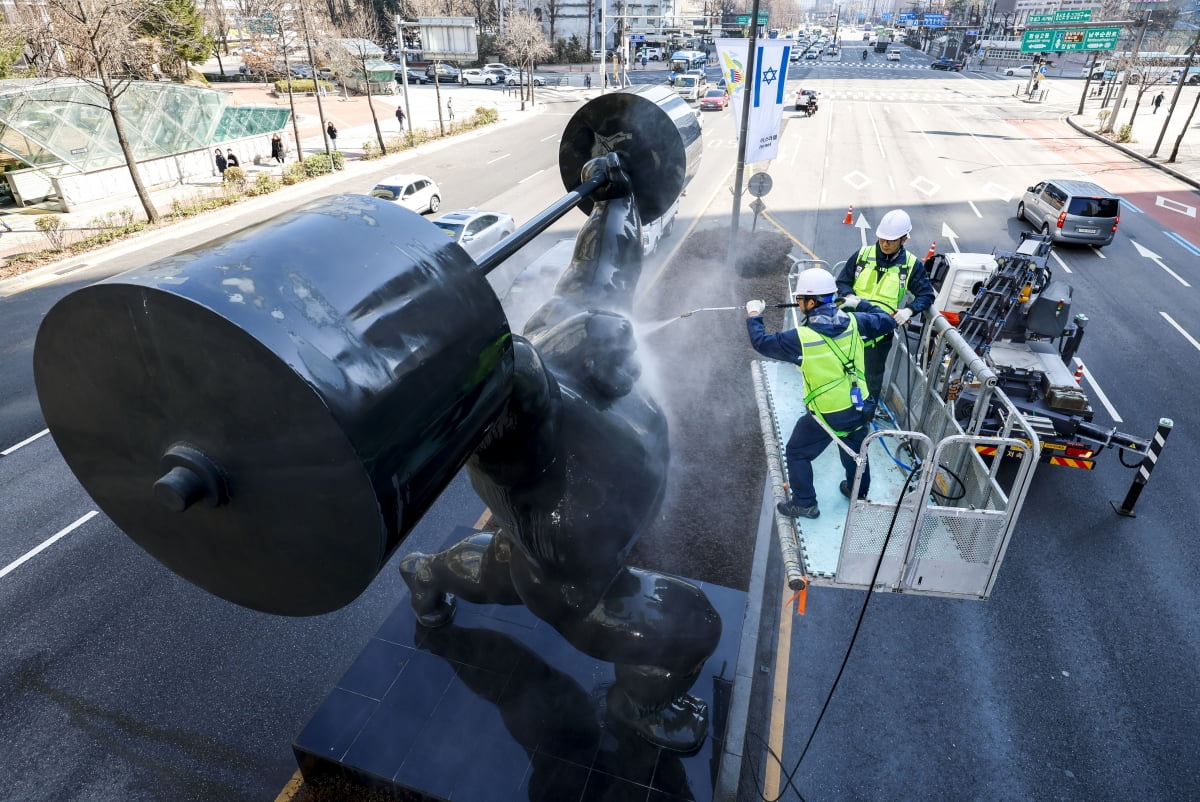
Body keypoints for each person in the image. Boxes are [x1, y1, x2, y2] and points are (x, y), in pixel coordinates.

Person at [399, 153, 721, 754]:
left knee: (503, 564)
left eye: (621, 340)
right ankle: (638, 705)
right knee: (694, 626)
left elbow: (605, 260)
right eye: (615, 354)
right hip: (578, 586)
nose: (629, 360)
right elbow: (500, 385)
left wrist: (615, 195)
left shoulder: (576, 313)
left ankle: (426, 572)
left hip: (549, 546)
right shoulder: (524, 415)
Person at [746, 268, 897, 519]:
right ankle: (857, 491)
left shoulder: (800, 338)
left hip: (828, 414)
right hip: (861, 405)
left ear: (812, 302)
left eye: (801, 299)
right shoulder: (856, 321)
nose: (798, 303)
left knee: (797, 452)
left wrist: (754, 314)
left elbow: (761, 342)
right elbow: (888, 319)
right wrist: (860, 303)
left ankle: (805, 503)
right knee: (855, 449)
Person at [835, 208, 935, 406]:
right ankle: (838, 405)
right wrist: (848, 296)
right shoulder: (863, 255)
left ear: (904, 239)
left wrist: (909, 310)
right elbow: (842, 281)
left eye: (891, 240)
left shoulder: (911, 265)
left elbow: (926, 295)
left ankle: (864, 415)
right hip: (851, 323)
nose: (885, 243)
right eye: (882, 238)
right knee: (841, 367)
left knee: (871, 376)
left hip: (878, 333)